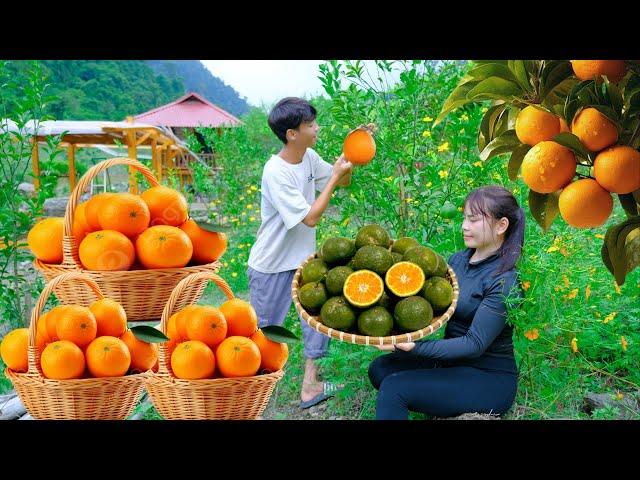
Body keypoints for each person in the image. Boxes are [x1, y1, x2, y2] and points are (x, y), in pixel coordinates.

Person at [368, 185, 525, 420]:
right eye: (464, 218)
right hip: (451, 364)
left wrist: (417, 347)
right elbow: (428, 307)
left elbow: (474, 344)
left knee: (394, 389)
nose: (464, 226)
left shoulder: (505, 281)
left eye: (473, 220)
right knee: (380, 369)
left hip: (487, 377)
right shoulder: (458, 261)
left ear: (501, 225)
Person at [247, 97, 353, 409]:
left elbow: (342, 180)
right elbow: (310, 217)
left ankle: (311, 386)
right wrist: (333, 177)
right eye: (310, 125)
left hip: (304, 261)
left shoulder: (308, 156)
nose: (316, 129)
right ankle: (251, 396)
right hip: (271, 265)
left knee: (317, 321)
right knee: (267, 334)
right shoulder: (276, 171)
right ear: (292, 133)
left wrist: (351, 155)